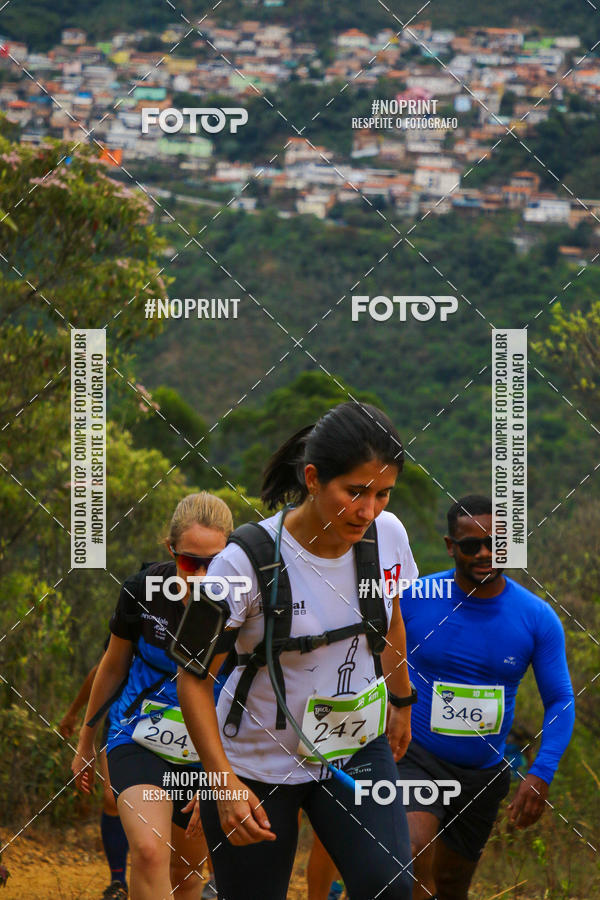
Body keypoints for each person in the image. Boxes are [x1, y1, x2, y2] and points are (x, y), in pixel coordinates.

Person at [178, 402, 419, 900]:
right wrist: (222, 784)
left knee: (390, 887)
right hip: (255, 761)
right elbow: (194, 679)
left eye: (382, 493)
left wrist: (400, 701)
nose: (368, 510)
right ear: (312, 478)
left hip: (351, 742)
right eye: (353, 492)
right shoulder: (243, 562)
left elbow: (388, 618)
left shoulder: (386, 537)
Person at [397, 494, 575, 900]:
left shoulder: (536, 617)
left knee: (452, 884)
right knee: (410, 854)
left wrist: (542, 771)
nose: (484, 553)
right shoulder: (413, 599)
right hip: (416, 756)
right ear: (449, 546)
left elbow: (561, 699)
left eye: (495, 543)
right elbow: (374, 659)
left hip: (482, 771)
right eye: (469, 545)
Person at [72, 492, 234, 900]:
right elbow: (112, 665)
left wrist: (219, 775)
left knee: (187, 872)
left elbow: (244, 696)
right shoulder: (143, 590)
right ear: (170, 549)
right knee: (147, 851)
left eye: (212, 563)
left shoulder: (241, 603)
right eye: (188, 561)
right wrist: (86, 740)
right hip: (135, 735)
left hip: (206, 752)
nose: (199, 574)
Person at [60, 651, 129, 899]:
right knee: (112, 798)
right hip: (122, 722)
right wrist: (73, 712)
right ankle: (118, 882)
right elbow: (103, 668)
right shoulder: (134, 615)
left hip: (175, 723)